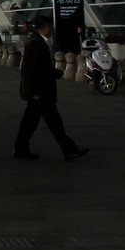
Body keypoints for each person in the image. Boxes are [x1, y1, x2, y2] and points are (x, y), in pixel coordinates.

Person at [15, 13, 89, 161]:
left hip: (40, 93)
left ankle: (21, 149)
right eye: (50, 27)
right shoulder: (36, 44)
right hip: (41, 93)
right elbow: (31, 69)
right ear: (46, 28)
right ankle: (68, 150)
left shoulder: (35, 42)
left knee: (33, 124)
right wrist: (35, 90)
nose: (52, 30)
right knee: (52, 124)